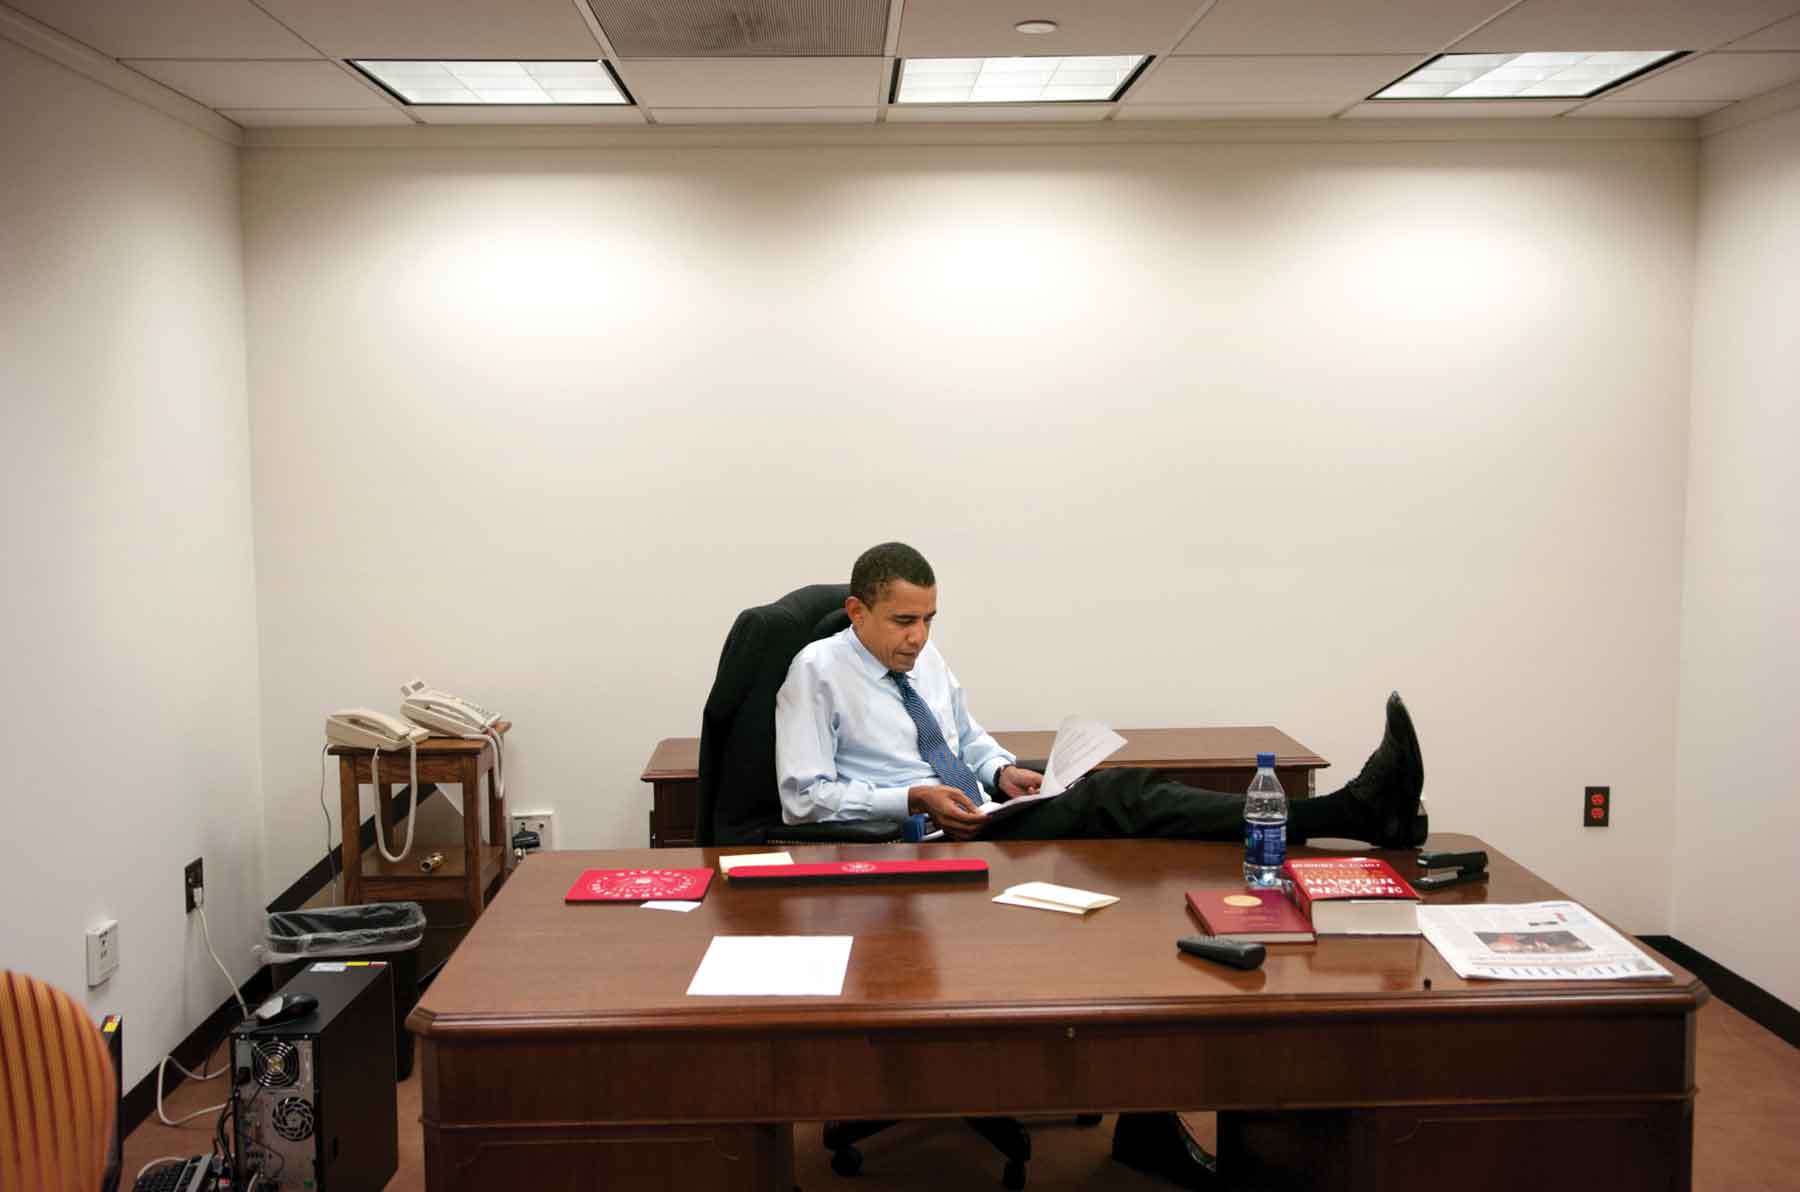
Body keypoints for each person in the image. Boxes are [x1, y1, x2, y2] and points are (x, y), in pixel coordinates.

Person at [774, 542, 1427, 1189]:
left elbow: (962, 738)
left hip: (980, 822)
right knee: (1120, 799)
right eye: (903, 622)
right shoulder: (816, 672)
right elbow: (803, 799)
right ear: (856, 611)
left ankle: (1150, 1119)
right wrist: (910, 795)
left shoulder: (923, 657)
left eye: (929, 620)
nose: (919, 638)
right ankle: (1353, 813)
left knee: (1136, 872)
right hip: (910, 846)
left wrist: (1001, 770)